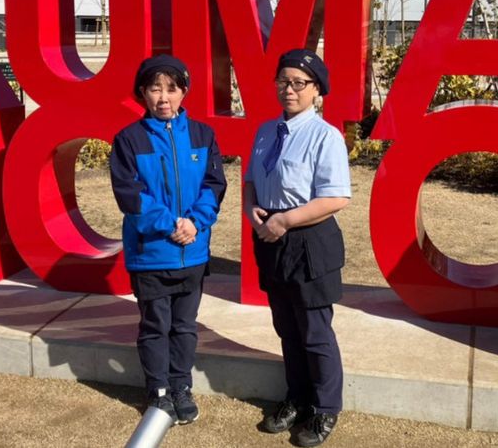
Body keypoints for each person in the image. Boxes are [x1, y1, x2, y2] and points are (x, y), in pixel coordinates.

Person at [110, 54, 227, 425]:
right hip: (151, 254)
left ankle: (181, 386)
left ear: (184, 91)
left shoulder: (203, 135)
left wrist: (195, 223)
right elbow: (130, 195)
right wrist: (170, 225)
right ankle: (158, 390)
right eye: (155, 88)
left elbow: (214, 185)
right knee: (155, 326)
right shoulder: (129, 140)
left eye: (172, 88)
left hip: (193, 252)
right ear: (142, 93)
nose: (164, 97)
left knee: (185, 326)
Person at [244, 48, 350, 447]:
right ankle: (298, 397)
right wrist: (252, 212)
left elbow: (336, 197)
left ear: (317, 90)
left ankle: (325, 408)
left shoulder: (325, 136)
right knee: (286, 327)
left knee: (315, 332)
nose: (289, 90)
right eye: (283, 82)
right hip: (271, 238)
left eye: (299, 83)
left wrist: (286, 220)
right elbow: (251, 180)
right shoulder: (266, 131)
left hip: (308, 241)